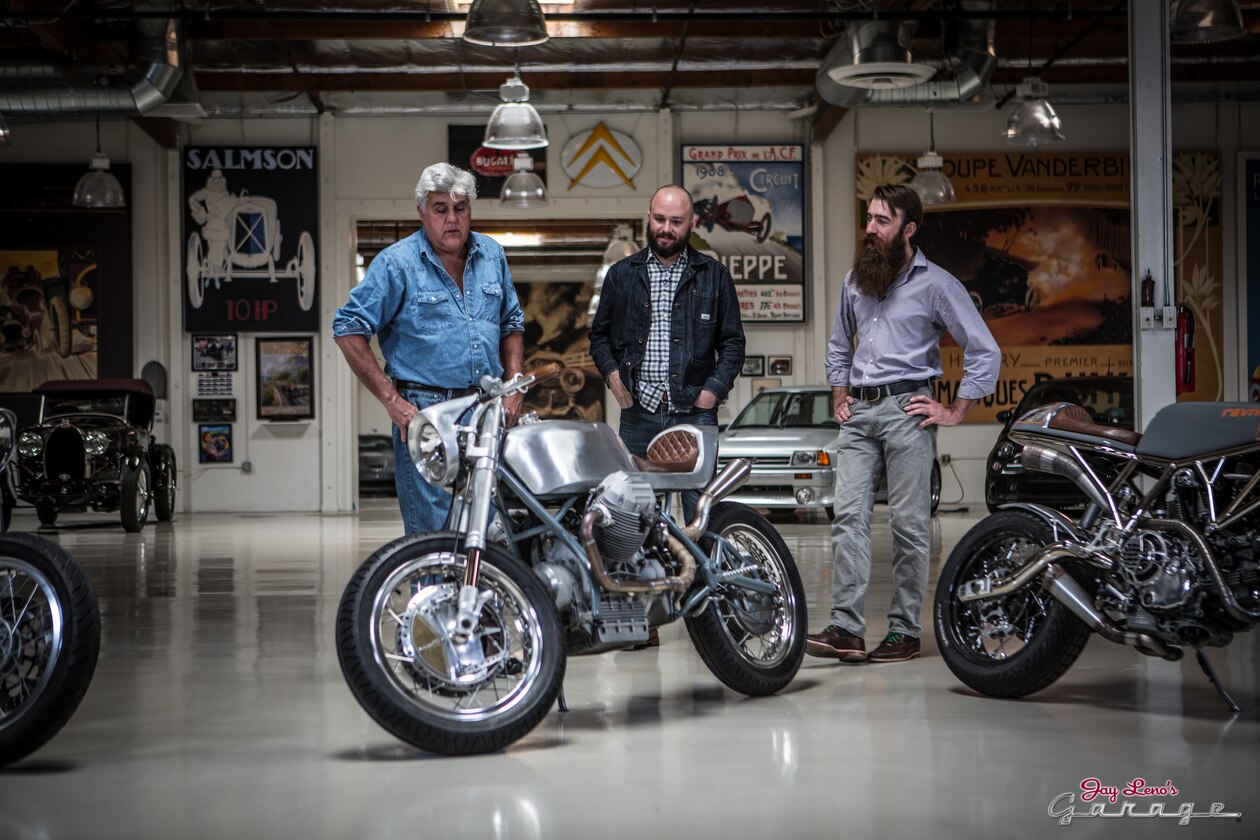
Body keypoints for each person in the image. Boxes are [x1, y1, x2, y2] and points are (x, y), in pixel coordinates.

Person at [807, 183, 1000, 664]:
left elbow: (984, 349)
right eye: (869, 217)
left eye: (882, 221)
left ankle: (904, 631)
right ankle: (846, 630)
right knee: (848, 518)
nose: (870, 228)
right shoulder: (855, 280)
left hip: (906, 411)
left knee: (909, 526)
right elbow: (839, 344)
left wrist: (954, 411)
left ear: (908, 229)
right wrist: (839, 393)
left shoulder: (937, 284)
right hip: (859, 413)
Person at [332, 162, 525, 534]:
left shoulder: (492, 255)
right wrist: (392, 401)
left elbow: (512, 322)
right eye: (441, 209)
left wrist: (514, 386)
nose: (452, 219)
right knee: (432, 536)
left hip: (486, 410)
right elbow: (348, 328)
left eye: (460, 208)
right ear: (422, 211)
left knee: (489, 532)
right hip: (425, 414)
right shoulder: (397, 264)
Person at [588, 184, 745, 523]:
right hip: (638, 413)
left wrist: (711, 392)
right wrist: (614, 378)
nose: (666, 229)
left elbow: (733, 344)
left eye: (676, 222)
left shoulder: (714, 276)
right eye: (659, 219)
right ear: (648, 218)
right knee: (633, 515)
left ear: (692, 224)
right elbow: (598, 337)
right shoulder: (621, 275)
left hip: (695, 414)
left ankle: (701, 562)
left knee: (700, 517)